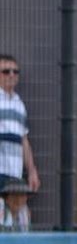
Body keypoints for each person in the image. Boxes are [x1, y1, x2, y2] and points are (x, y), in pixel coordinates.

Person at [0, 54, 40, 192]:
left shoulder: (19, 104)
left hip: (14, 173)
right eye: (6, 71)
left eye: (15, 71)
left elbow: (24, 140)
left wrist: (32, 171)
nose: (11, 75)